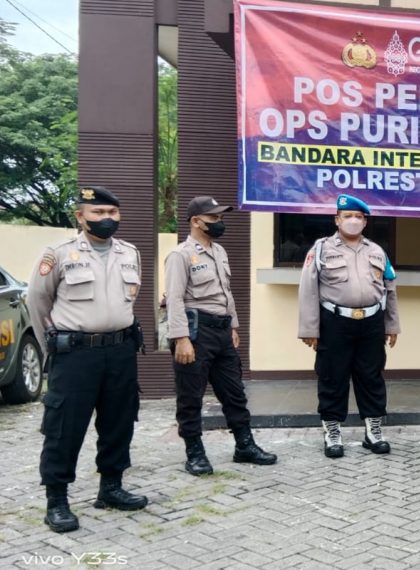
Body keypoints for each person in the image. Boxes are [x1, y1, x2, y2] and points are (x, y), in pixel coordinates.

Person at [27, 186, 149, 533]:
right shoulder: (59, 253)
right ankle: (57, 500)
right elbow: (38, 302)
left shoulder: (130, 252)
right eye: (98, 213)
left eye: (112, 213)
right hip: (76, 354)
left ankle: (110, 488)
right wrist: (52, 347)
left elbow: (127, 302)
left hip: (121, 350)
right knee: (64, 426)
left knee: (119, 421)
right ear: (80, 216)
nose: (107, 219)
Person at [166, 196, 276, 476]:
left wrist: (234, 326)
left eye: (220, 218)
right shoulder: (180, 255)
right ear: (195, 221)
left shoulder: (219, 252)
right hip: (195, 331)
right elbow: (175, 299)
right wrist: (181, 338)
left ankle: (244, 445)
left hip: (222, 331)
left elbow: (226, 294)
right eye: (214, 218)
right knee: (191, 396)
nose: (219, 222)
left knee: (234, 392)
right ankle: (195, 452)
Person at [298, 194, 400, 458]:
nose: (353, 221)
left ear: (365, 221)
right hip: (334, 321)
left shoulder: (377, 251)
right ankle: (333, 433)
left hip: (372, 322)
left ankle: (373, 431)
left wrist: (392, 324)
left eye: (358, 217)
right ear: (337, 219)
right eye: (348, 216)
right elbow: (308, 290)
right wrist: (310, 329)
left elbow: (389, 288)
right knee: (333, 376)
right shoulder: (321, 249)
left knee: (372, 376)